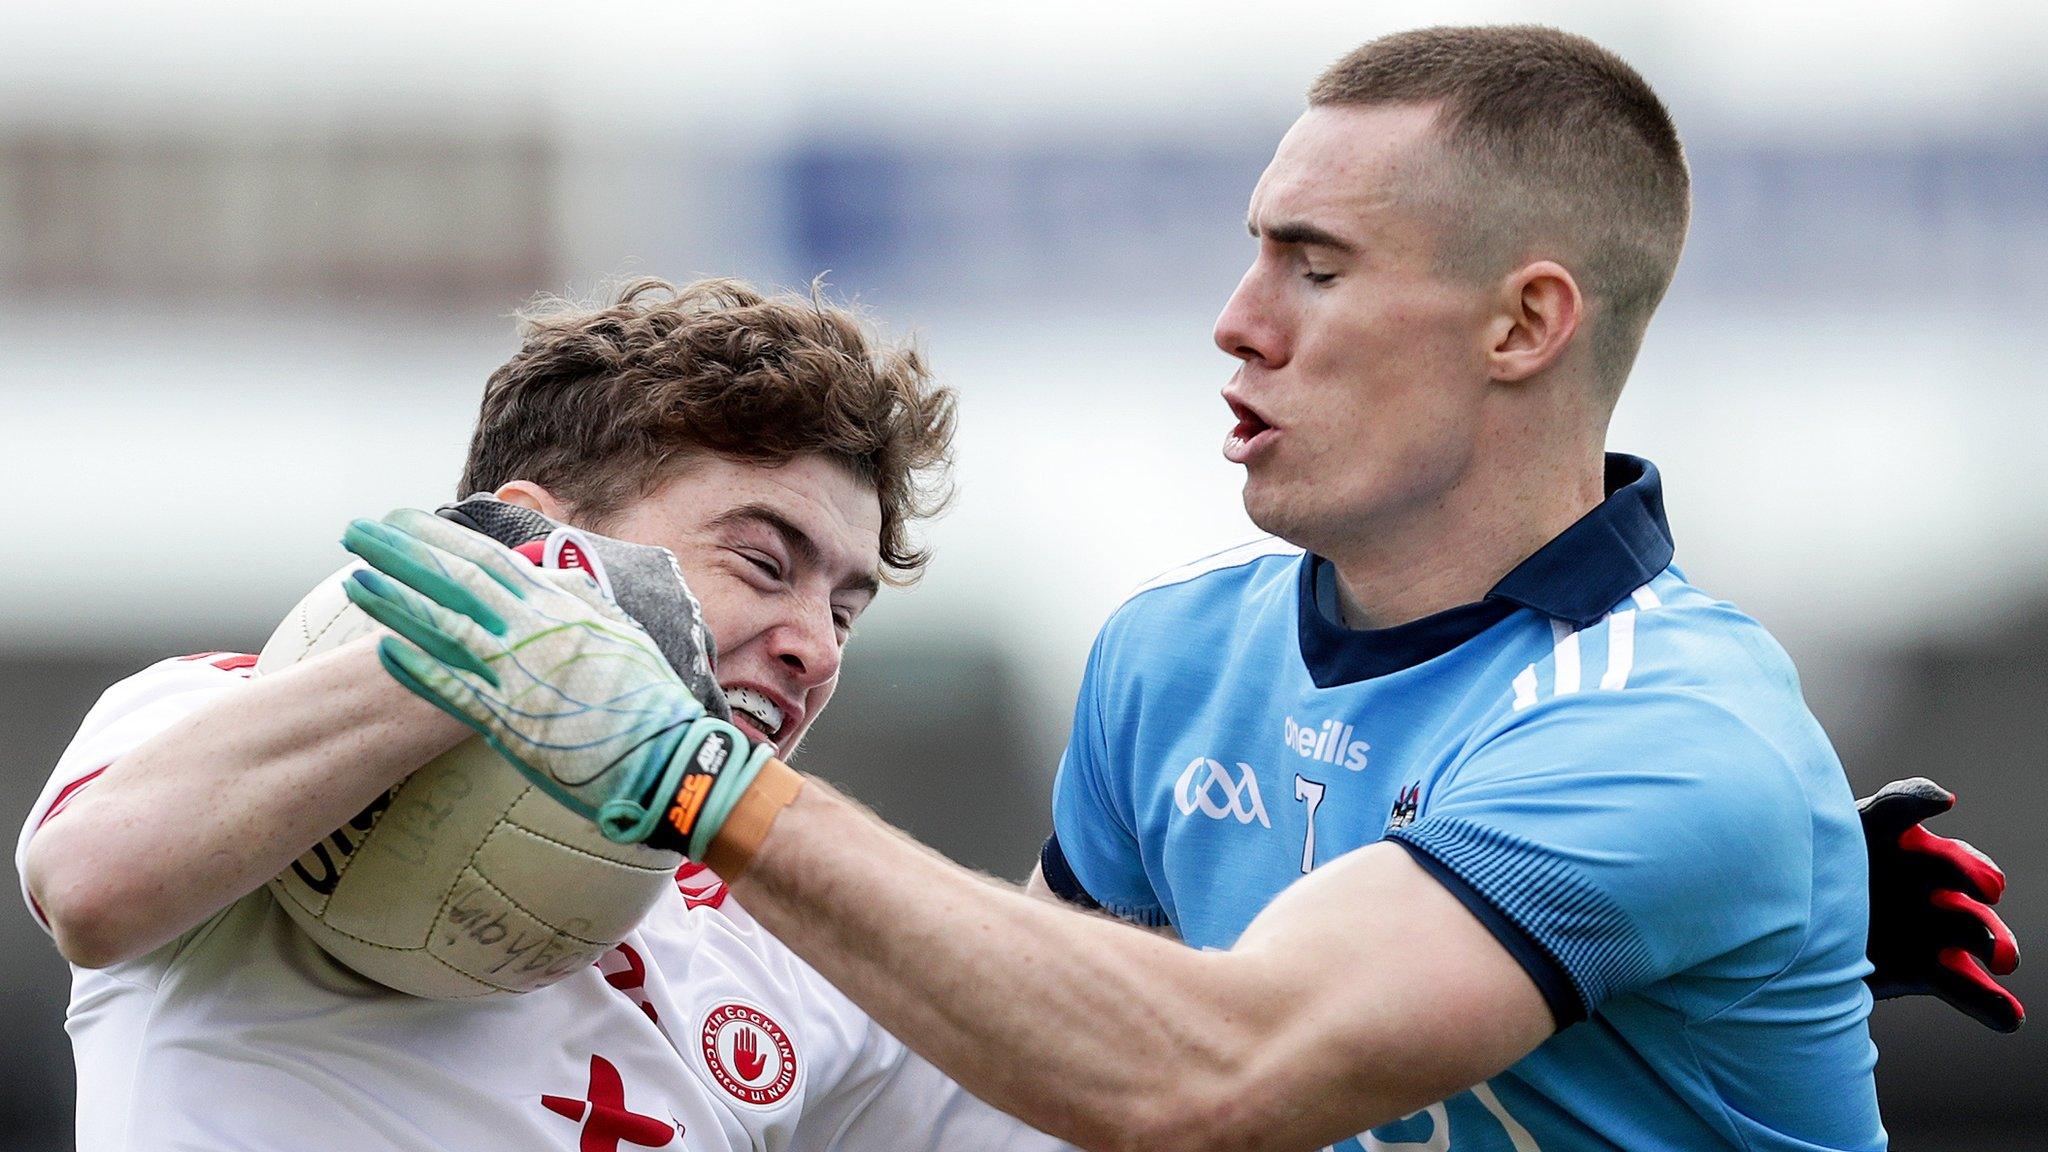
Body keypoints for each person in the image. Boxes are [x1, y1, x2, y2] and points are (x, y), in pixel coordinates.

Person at [335, 25, 2023, 1152]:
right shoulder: (1172, 653)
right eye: (1248, 250)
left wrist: (695, 784)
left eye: (1315, 264)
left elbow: (1216, 1067)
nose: (1236, 319)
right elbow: (1017, 1087)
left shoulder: (1673, 738)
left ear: (1523, 325)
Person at [17, 278, 1066, 1151]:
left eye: (845, 610)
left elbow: (1090, 1107)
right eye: (761, 563)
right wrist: (512, 632)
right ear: (540, 539)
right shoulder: (217, 706)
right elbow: (92, 885)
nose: (816, 646)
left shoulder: (782, 935)